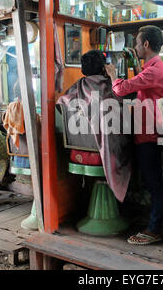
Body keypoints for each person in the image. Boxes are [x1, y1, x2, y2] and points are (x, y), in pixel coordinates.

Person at [107, 25, 163, 245]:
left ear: (145, 44)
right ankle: (149, 222)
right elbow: (140, 83)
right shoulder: (152, 67)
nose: (135, 47)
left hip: (149, 132)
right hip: (144, 129)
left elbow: (122, 89)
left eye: (137, 43)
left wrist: (114, 76)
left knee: (154, 182)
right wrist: (134, 63)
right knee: (147, 180)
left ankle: (154, 229)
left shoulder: (156, 70)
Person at [56, 50, 133, 203]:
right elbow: (123, 118)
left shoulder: (78, 87)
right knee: (132, 144)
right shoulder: (112, 86)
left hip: (80, 146)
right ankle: (130, 198)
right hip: (107, 148)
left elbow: (61, 103)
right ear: (104, 67)